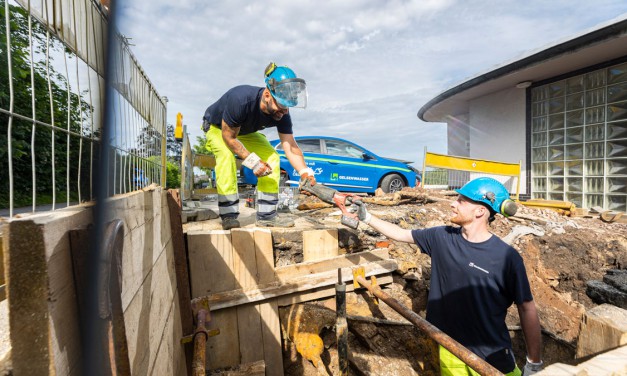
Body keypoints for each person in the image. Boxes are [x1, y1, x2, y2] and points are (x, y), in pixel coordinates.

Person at [353, 177, 543, 375]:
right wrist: (366, 217)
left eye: (461, 200)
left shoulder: (506, 258)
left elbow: (526, 307)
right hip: (450, 348)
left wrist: (534, 363)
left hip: (491, 357)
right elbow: (402, 234)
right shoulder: (441, 237)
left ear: (480, 211)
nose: (453, 203)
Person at [202, 62, 316, 230]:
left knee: (273, 158)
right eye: (281, 106)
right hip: (219, 128)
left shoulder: (282, 112)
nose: (284, 112)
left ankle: (267, 216)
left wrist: (304, 172)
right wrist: (253, 162)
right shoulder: (241, 100)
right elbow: (229, 137)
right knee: (226, 157)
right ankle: (228, 215)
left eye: (287, 107)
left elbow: (290, 145)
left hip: (244, 131)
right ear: (267, 94)